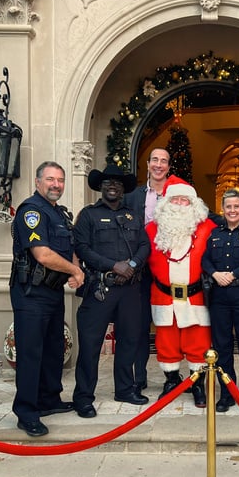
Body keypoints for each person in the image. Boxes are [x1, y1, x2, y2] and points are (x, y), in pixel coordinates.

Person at [10, 161, 85, 437]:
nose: (56, 184)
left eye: (60, 180)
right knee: (31, 352)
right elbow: (42, 254)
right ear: (38, 182)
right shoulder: (31, 212)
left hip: (52, 291)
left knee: (53, 347)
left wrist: (76, 271)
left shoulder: (59, 214)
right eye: (51, 179)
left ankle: (48, 399)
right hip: (31, 292)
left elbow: (70, 248)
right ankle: (27, 412)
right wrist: (75, 271)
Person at [72, 164, 151, 419]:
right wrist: (113, 265)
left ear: (123, 188)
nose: (113, 186)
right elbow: (82, 248)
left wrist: (133, 264)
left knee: (129, 341)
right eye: (108, 182)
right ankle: (84, 397)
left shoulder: (133, 216)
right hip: (99, 288)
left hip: (130, 289)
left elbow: (144, 245)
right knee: (90, 345)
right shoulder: (88, 215)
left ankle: (125, 389)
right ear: (100, 187)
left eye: (117, 182)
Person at [146, 179, 217, 407]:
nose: (178, 204)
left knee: (197, 340)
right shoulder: (151, 230)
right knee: (166, 339)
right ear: (166, 203)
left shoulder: (208, 228)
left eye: (184, 200)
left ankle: (197, 383)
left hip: (195, 296)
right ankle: (171, 380)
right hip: (163, 295)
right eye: (174, 199)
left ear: (193, 203)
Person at [202, 188, 239, 413]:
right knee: (222, 347)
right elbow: (205, 260)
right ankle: (227, 394)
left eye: (236, 206)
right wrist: (215, 274)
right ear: (223, 209)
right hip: (220, 297)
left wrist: (234, 274)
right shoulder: (215, 234)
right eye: (228, 207)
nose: (232, 210)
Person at [123, 147, 172, 390]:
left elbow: (203, 215)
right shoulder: (132, 196)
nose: (159, 165)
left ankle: (172, 378)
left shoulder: (177, 195)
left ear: (169, 167)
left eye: (164, 161)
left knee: (169, 325)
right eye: (155, 159)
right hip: (140, 270)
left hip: (170, 270)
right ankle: (139, 378)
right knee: (139, 325)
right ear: (148, 164)